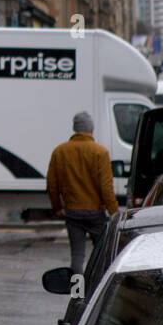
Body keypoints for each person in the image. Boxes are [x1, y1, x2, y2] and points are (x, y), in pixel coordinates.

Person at [46, 111, 119, 276]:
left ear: (75, 129)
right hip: (96, 213)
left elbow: (52, 184)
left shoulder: (60, 151)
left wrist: (58, 207)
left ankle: (77, 293)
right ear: (91, 129)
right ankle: (96, 291)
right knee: (101, 255)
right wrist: (114, 212)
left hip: (72, 211)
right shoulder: (100, 152)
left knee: (77, 256)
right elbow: (106, 187)